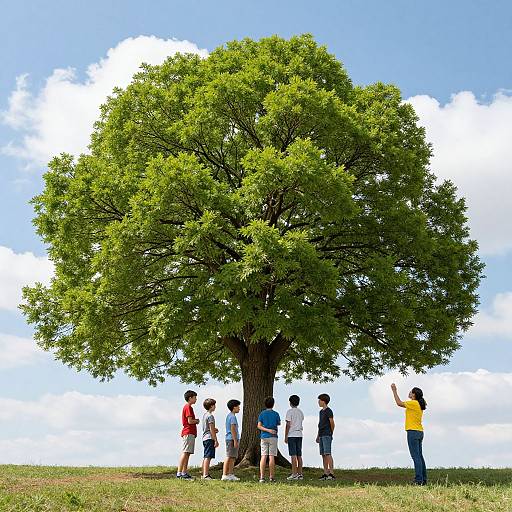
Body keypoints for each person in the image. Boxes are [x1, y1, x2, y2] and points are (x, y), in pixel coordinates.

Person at [391, 383, 427, 485]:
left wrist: (394, 391)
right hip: (419, 432)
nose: (409, 393)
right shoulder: (420, 403)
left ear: (414, 394)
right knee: (419, 456)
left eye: (411, 392)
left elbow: (399, 403)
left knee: (415, 457)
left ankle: (418, 480)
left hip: (413, 432)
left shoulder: (414, 403)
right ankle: (423, 480)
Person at [177, 389, 200, 480]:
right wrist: (197, 421)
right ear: (190, 398)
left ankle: (184, 472)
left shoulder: (188, 407)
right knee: (185, 452)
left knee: (188, 453)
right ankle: (179, 473)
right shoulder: (188, 407)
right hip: (188, 431)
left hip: (190, 432)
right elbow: (190, 421)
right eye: (195, 397)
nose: (196, 399)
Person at [257, 397, 281, 483]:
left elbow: (259, 426)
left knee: (263, 456)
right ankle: (271, 477)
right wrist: (271, 429)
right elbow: (279, 423)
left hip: (264, 436)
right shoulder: (276, 414)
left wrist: (266, 430)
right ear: (273, 404)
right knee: (271, 456)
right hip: (273, 437)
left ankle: (262, 477)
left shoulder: (262, 414)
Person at [285, 394, 304, 480]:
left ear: (290, 403)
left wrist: (286, 436)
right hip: (299, 435)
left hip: (292, 435)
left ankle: (294, 474)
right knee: (299, 455)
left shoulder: (289, 412)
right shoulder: (300, 412)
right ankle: (300, 474)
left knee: (293, 455)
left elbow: (288, 424)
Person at [316, 393, 335, 480]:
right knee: (323, 454)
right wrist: (318, 436)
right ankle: (325, 473)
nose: (318, 402)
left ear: (323, 401)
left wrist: (331, 433)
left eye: (319, 400)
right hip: (321, 435)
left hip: (327, 434)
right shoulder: (321, 412)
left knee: (328, 453)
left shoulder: (329, 411)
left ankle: (331, 473)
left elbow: (332, 423)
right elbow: (320, 425)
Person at [222, 399, 241, 481]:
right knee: (229, 456)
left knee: (233, 457)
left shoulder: (230, 416)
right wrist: (235, 440)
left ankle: (230, 474)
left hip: (231, 438)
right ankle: (225, 474)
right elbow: (233, 429)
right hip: (231, 439)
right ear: (234, 407)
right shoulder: (232, 417)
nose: (239, 408)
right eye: (238, 406)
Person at [201, 398, 219, 480]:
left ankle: (204, 473)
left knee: (206, 456)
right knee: (208, 456)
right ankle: (205, 475)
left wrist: (214, 429)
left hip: (205, 438)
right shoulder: (210, 416)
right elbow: (211, 429)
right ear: (211, 406)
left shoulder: (205, 415)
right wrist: (215, 440)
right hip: (209, 438)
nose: (215, 406)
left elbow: (208, 428)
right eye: (214, 405)